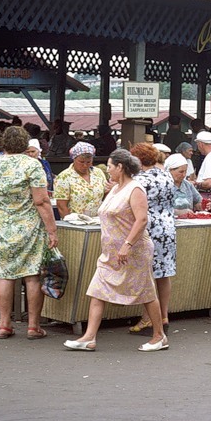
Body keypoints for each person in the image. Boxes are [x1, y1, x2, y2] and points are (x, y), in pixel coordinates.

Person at [64, 149, 167, 352]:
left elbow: (142, 219)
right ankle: (89, 337)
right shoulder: (115, 188)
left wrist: (127, 245)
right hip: (111, 253)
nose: (107, 170)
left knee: (146, 291)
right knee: (97, 290)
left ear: (120, 167)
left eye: (110, 166)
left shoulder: (135, 189)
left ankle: (159, 336)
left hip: (134, 250)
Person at [0, 126, 59, 341]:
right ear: (25, 144)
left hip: (3, 227)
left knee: (4, 275)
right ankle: (33, 326)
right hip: (30, 227)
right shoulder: (32, 165)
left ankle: (4, 324)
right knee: (32, 276)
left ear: (3, 143)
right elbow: (42, 201)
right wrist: (52, 230)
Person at [129, 143, 176, 334]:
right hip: (168, 227)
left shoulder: (139, 180)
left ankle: (148, 318)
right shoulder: (166, 175)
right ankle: (163, 316)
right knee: (163, 274)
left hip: (149, 228)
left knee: (147, 274)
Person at [53, 141, 107, 217]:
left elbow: (106, 195)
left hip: (97, 221)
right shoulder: (64, 177)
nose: (85, 165)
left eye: (88, 162)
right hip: (75, 223)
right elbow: (62, 206)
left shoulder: (98, 173)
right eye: (81, 162)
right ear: (74, 159)